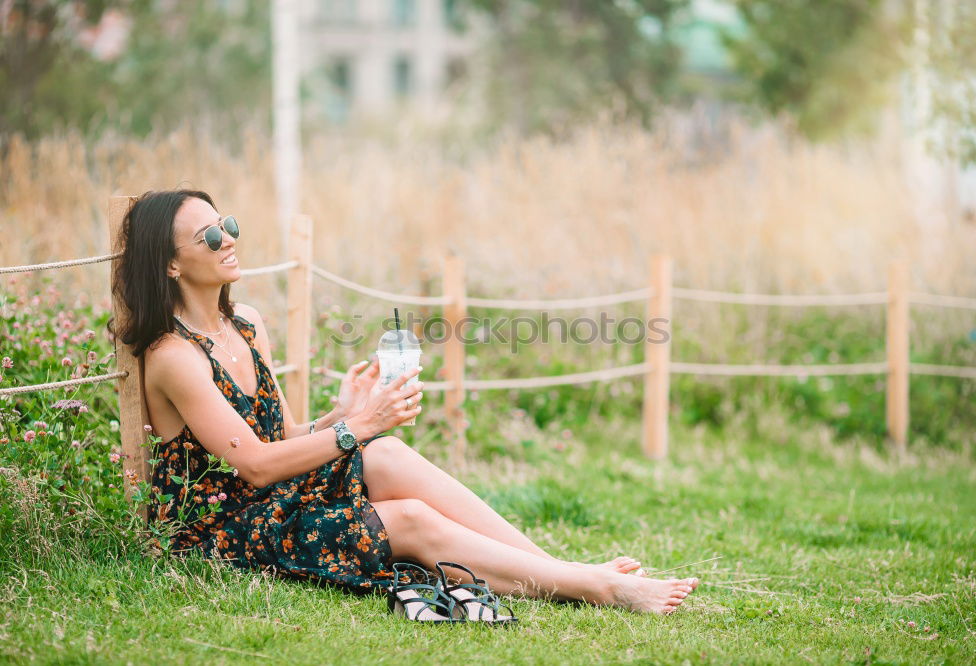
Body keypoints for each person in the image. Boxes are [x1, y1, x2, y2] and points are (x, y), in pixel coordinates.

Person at [111, 189, 698, 616]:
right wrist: (357, 427)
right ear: (170, 263)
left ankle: (565, 572)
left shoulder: (248, 325)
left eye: (228, 223)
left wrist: (342, 416)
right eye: (210, 235)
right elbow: (256, 465)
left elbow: (282, 437)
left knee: (386, 454)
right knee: (410, 516)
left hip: (274, 496)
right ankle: (593, 586)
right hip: (224, 527)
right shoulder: (173, 356)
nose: (230, 237)